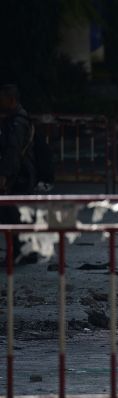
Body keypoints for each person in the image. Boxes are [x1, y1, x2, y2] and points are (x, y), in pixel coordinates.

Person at [0, 84, 37, 265]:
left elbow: (12, 151)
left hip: (19, 174)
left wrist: (5, 175)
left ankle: (21, 251)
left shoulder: (18, 121)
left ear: (11, 99)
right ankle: (24, 251)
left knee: (13, 215)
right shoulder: (16, 119)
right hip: (20, 172)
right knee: (17, 214)